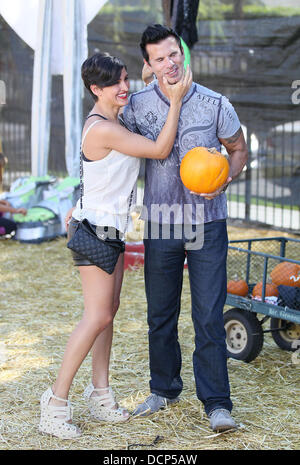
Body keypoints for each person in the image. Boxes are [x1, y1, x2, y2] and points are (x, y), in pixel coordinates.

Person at [39, 52, 192, 439]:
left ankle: (100, 393)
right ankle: (55, 404)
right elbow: (158, 149)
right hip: (95, 231)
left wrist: (145, 77)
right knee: (97, 316)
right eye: (115, 84)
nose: (124, 88)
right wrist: (174, 100)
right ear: (95, 89)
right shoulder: (103, 128)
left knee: (108, 312)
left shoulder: (113, 118)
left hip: (113, 229)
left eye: (126, 79)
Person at [122, 24, 248, 432]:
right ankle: (164, 389)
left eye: (174, 54)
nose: (170, 63)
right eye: (159, 58)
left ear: (183, 53)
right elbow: (111, 140)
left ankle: (216, 403)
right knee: (160, 314)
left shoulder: (215, 103)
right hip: (161, 223)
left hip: (207, 224)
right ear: (149, 65)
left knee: (208, 315)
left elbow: (238, 148)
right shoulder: (137, 107)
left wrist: (225, 177)